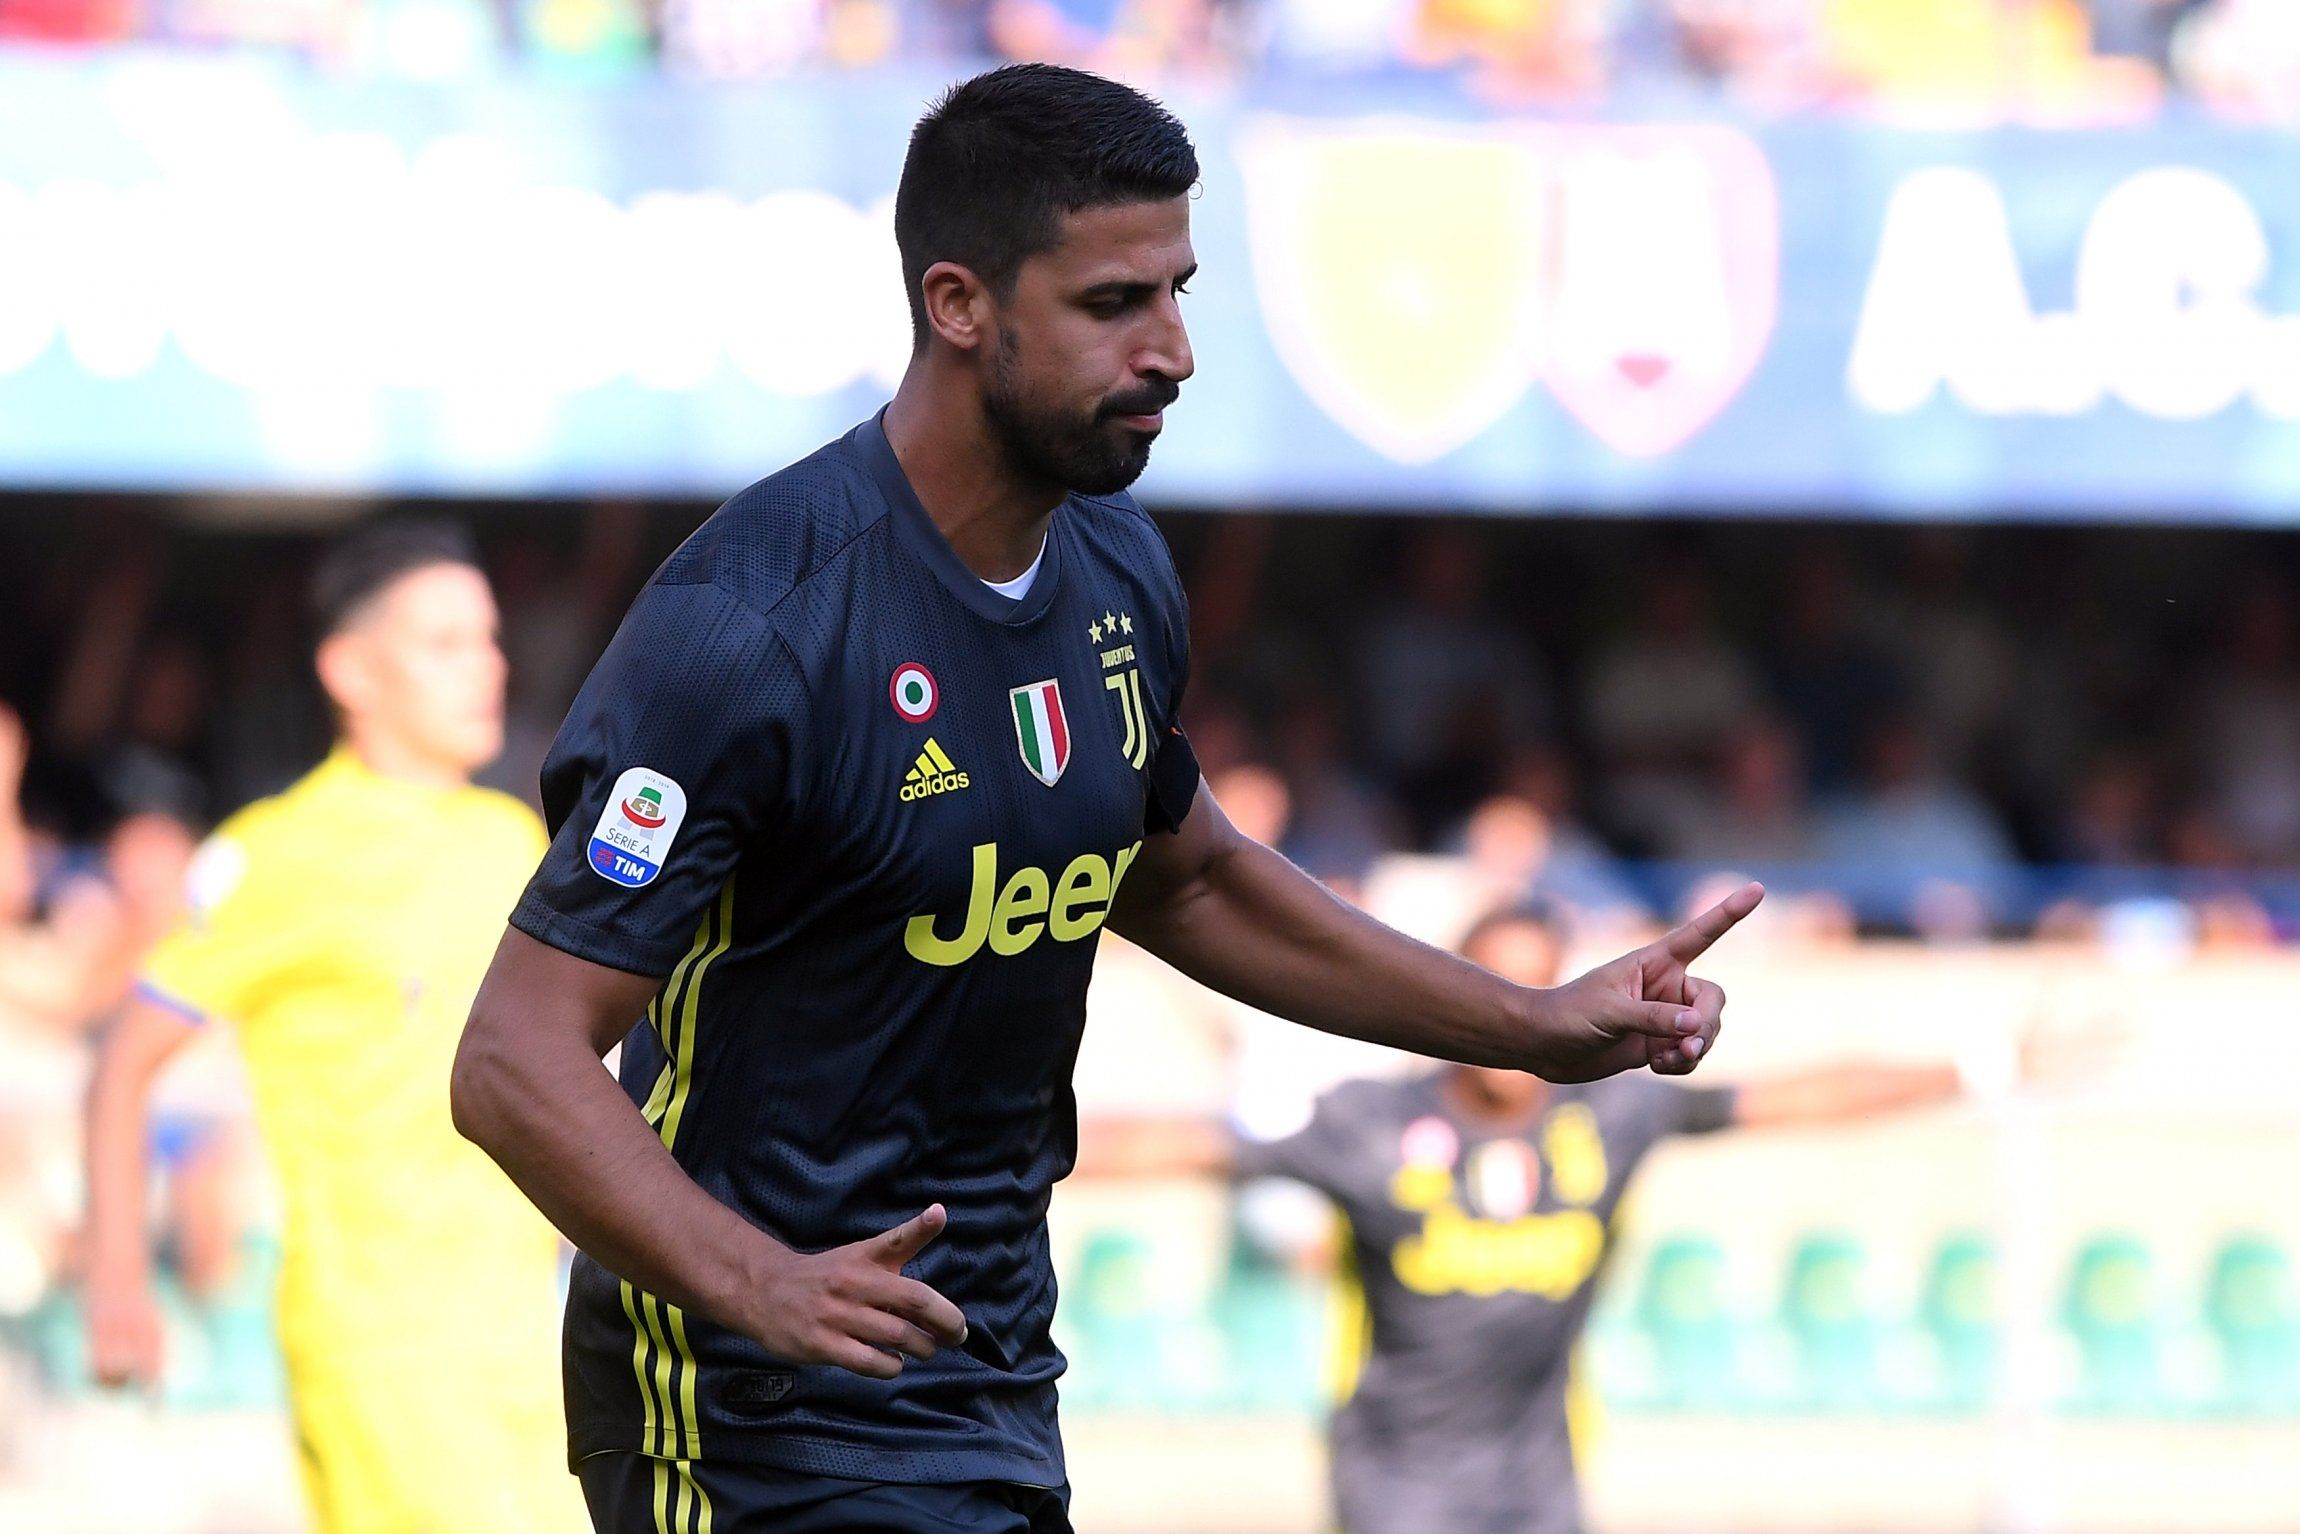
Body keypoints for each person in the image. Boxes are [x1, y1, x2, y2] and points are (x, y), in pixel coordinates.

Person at [448, 63, 1761, 1534]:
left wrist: (1525, 1023)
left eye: (1177, 293)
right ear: (959, 304)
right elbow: (512, 1057)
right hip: (751, 1408)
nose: (1174, 350)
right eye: (1113, 303)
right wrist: (758, 1280)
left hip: (990, 1379)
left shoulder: (1117, 569)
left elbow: (1186, 874)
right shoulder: (752, 624)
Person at [1077, 905, 2012, 1534]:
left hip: (1541, 1487)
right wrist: (1005, 1151)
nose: (1518, 1017)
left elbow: (1795, 1099)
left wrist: (1975, 1068)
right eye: (1497, 987)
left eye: (1538, 985)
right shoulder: (1372, 1125)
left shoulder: (1611, 1114)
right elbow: (1178, 1145)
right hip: (1398, 1490)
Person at [81, 523, 582, 1534]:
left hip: (535, 1343)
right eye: (444, 643)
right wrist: (119, 1276)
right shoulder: (278, 855)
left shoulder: (511, 837)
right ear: (351, 669)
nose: (486, 666)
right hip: (383, 1354)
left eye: (488, 639)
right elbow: (123, 1065)